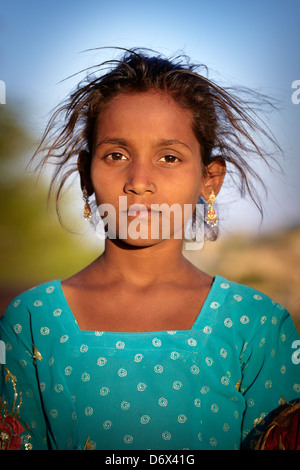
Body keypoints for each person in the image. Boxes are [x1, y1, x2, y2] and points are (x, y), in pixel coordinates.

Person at [0, 48, 299, 451]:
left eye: (169, 157)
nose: (139, 181)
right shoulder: (32, 321)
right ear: (86, 174)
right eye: (116, 155)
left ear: (209, 180)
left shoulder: (258, 326)